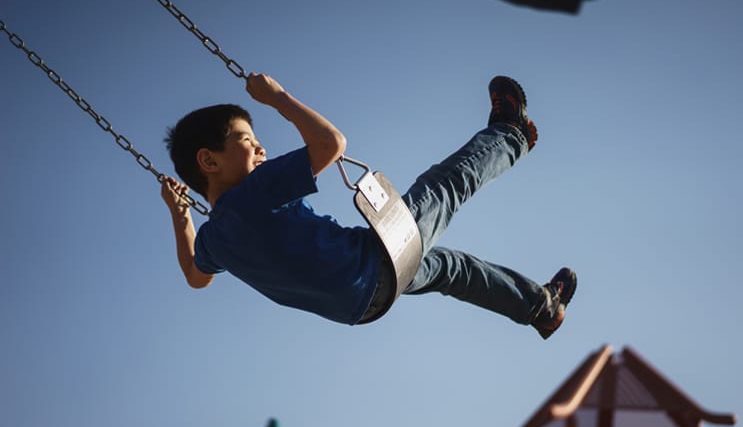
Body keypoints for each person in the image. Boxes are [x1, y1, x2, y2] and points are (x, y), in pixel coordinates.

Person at [161, 73, 576, 339]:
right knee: (443, 188)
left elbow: (196, 276)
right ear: (209, 161)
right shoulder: (254, 193)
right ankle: (511, 134)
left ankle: (540, 307)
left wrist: (181, 218)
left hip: (360, 305)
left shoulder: (214, 238)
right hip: (371, 265)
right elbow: (330, 144)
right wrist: (278, 98)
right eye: (246, 140)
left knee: (453, 270)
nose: (260, 146)